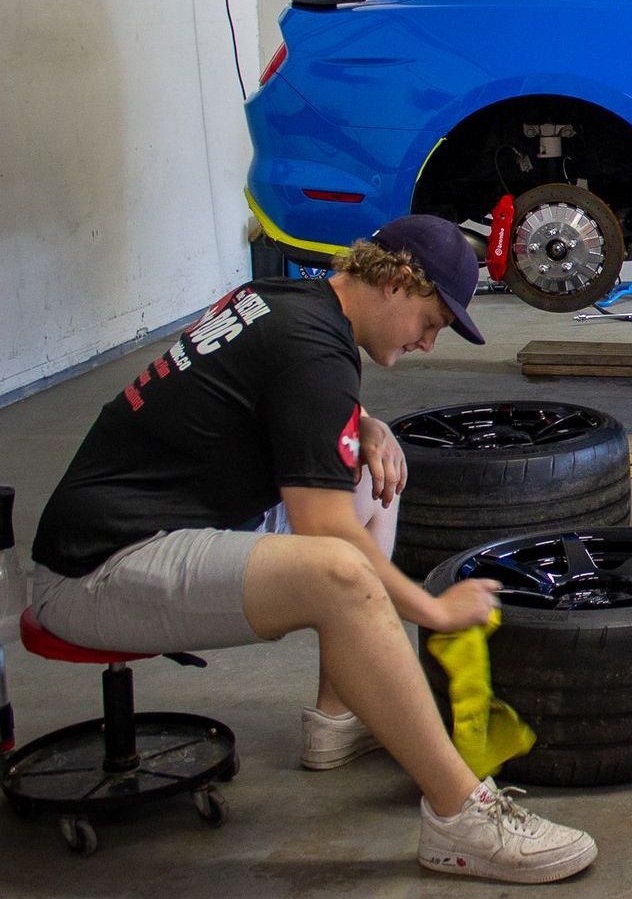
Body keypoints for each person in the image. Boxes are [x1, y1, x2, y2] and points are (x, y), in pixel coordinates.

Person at [29, 216, 597, 883]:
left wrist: (368, 425)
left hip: (145, 531)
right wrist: (433, 611)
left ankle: (339, 713)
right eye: (431, 319)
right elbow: (324, 528)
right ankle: (461, 819)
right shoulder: (314, 348)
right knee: (338, 572)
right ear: (395, 283)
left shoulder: (289, 304)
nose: (427, 342)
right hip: (95, 572)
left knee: (368, 475)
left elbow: (277, 402)